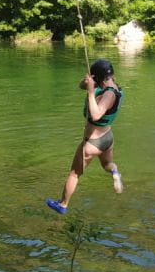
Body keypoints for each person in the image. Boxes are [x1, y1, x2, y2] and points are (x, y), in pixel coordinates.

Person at [46, 59, 123, 214]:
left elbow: (95, 115)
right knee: (107, 165)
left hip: (92, 143)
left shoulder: (108, 94)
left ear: (99, 78)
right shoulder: (114, 87)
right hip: (107, 138)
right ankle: (115, 173)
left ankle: (62, 204)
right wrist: (87, 82)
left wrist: (90, 92)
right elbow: (82, 86)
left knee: (74, 174)